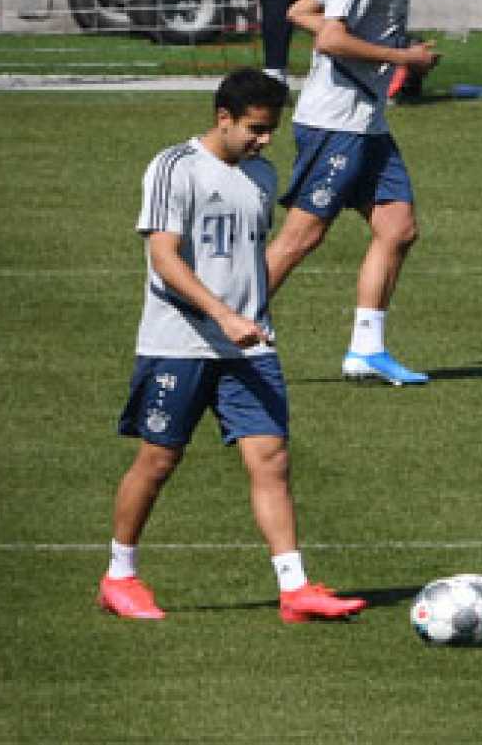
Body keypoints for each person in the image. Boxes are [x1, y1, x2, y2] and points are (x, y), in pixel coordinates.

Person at [98, 68, 367, 625]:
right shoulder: (175, 167)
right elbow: (163, 257)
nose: (264, 140)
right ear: (224, 117)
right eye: (255, 129)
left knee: (271, 458)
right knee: (158, 459)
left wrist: (251, 314)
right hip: (180, 343)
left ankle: (294, 590)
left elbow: (247, 258)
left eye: (271, 130)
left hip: (249, 347)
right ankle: (119, 577)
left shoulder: (261, 175)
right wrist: (222, 314)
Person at [265, 0, 464, 386]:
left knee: (398, 228)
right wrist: (403, 58)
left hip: (365, 123)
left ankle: (366, 350)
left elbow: (299, 11)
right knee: (302, 236)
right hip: (335, 123)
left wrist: (383, 51)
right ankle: (222, 328)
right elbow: (331, 38)